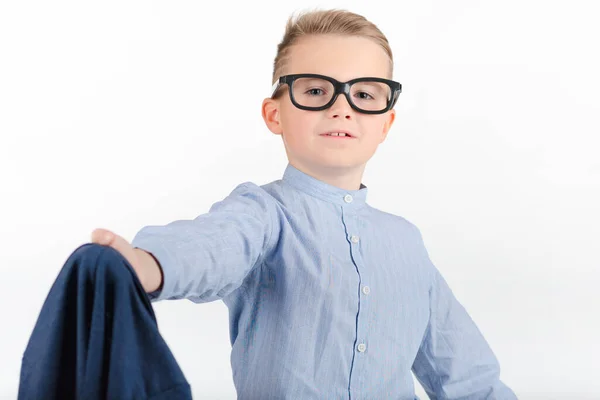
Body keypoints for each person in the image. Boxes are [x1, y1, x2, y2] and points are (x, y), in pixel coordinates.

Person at [62, 8, 517, 399]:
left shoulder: (406, 241)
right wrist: (147, 264)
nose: (342, 108)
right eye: (317, 90)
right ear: (275, 114)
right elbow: (212, 245)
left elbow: (466, 375)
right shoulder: (262, 214)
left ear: (386, 123)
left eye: (364, 94)